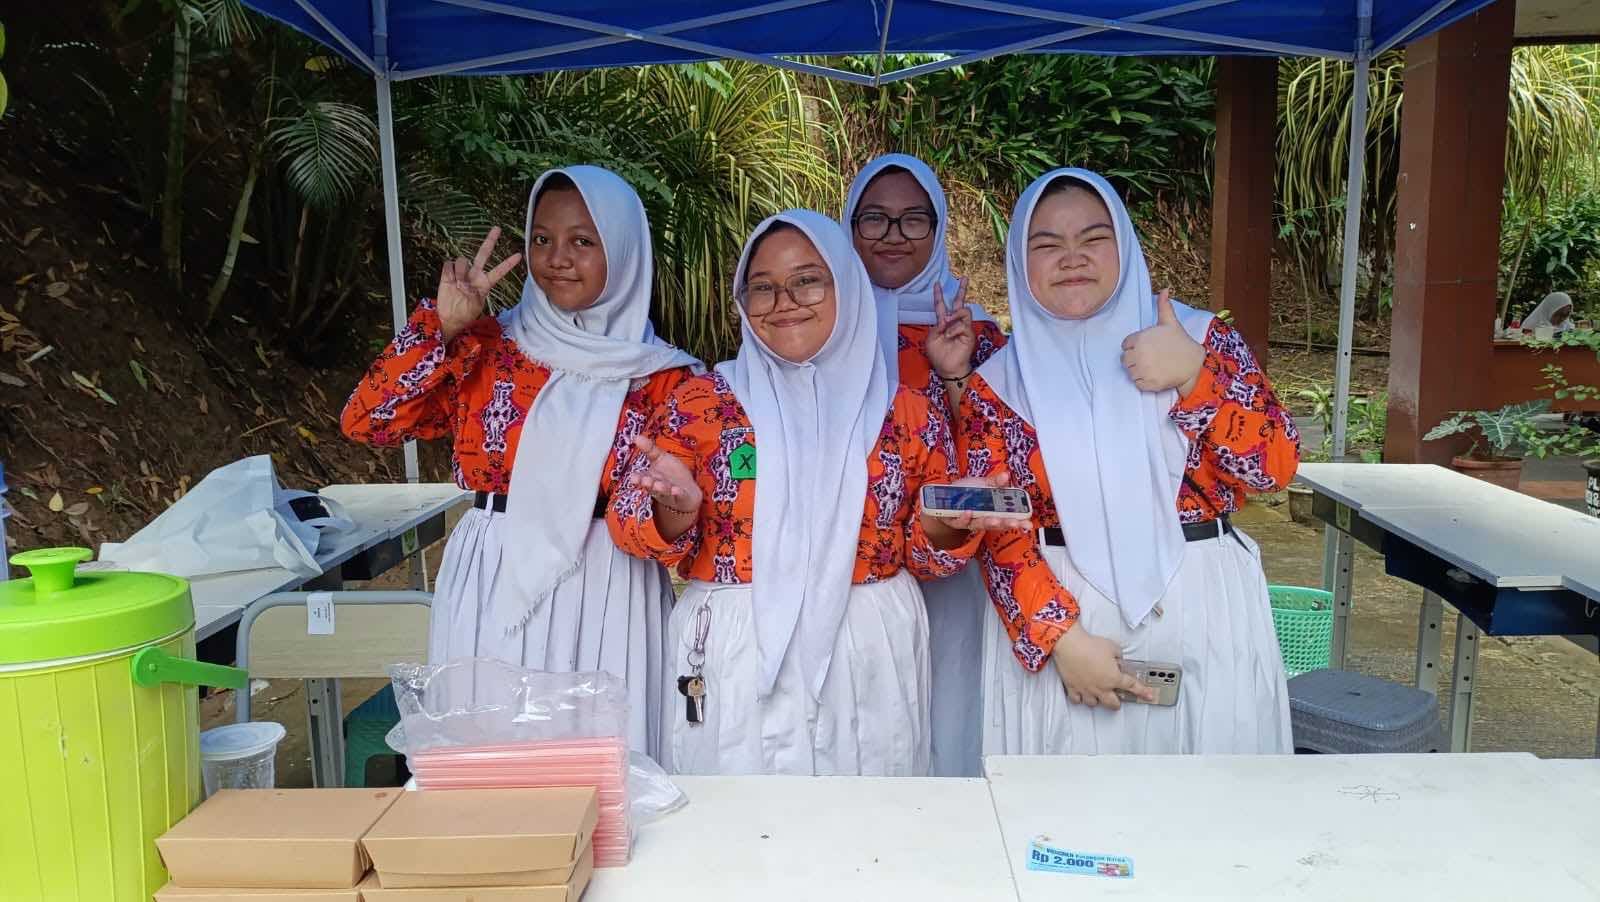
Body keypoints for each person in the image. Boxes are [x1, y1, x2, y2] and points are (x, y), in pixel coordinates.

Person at [607, 209, 1023, 776]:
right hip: (735, 643)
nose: (784, 302)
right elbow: (628, 521)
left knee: (866, 814)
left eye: (807, 280)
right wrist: (673, 510)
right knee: (738, 815)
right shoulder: (703, 401)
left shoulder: (905, 412)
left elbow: (927, 557)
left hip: (868, 644)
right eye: (762, 287)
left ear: (847, 288)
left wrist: (948, 522)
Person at [341, 166, 700, 761]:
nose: (558, 258)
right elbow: (369, 421)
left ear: (624, 251)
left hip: (608, 583)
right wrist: (442, 328)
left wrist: (672, 511)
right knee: (487, 755)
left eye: (583, 241)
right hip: (492, 574)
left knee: (605, 764)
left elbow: (667, 523)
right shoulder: (485, 346)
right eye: (541, 239)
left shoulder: (665, 378)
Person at [939, 168, 1301, 755]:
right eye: (1047, 245)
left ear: (1125, 246)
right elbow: (1000, 532)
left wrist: (1195, 377)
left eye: (1093, 238)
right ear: (1020, 264)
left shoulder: (1197, 338)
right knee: (1074, 798)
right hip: (1068, 620)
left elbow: (1274, 467)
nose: (1072, 258)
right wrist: (1060, 638)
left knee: (1207, 790)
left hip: (1202, 596)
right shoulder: (999, 387)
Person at [842, 153, 1007, 777]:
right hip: (852, 556)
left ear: (938, 229)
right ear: (849, 226)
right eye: (874, 219)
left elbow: (1000, 453)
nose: (893, 236)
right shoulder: (816, 322)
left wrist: (954, 372)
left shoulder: (977, 333)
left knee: (949, 687)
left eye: (914, 219)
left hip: (952, 552)